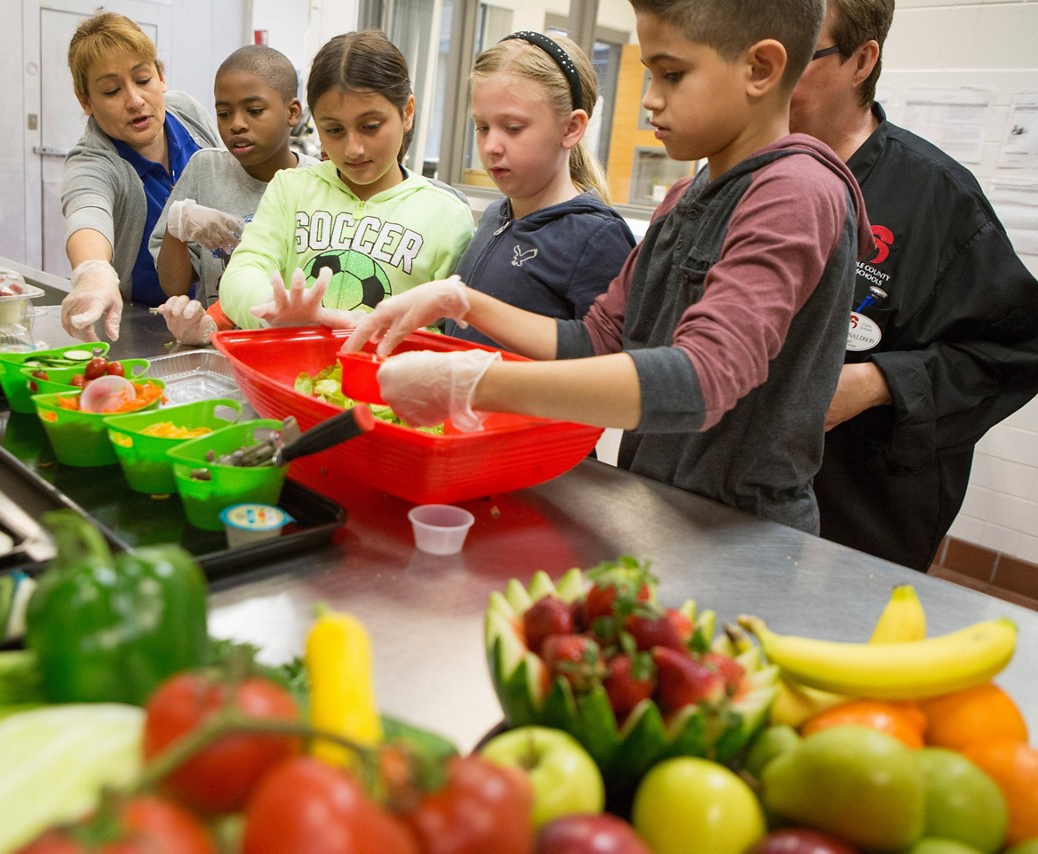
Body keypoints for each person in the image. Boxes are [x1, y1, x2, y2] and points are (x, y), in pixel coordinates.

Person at [343, 0, 875, 534]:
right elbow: (598, 338)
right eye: (651, 75)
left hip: (743, 528)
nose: (650, 99)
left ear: (760, 69)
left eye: (672, 74)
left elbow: (701, 379)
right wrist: (462, 301)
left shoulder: (796, 193)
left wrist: (474, 382)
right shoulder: (687, 196)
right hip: (658, 503)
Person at [789, 0, 1038, 570]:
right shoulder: (735, 173)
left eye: (799, 55)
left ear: (861, 60)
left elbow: (1012, 354)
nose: (767, 78)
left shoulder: (939, 198)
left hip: (853, 514)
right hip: (725, 492)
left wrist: (878, 382)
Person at [216, 30, 475, 331]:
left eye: (370, 126)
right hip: (295, 373)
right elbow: (243, 272)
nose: (353, 148)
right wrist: (275, 311)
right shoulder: (291, 189)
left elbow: (452, 328)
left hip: (389, 376)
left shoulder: (446, 215)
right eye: (334, 130)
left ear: (407, 112)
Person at [447, 31, 635, 348]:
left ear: (572, 128)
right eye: (482, 127)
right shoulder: (496, 214)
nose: (490, 146)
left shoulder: (598, 238)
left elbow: (605, 365)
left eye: (513, 128)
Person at [58, 11, 221, 342]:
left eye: (143, 80)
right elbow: (86, 212)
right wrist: (94, 272)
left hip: (222, 316)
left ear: (161, 75)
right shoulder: (94, 162)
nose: (135, 101)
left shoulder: (186, 114)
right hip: (152, 329)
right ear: (85, 101)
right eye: (112, 90)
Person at [149, 45, 320, 345]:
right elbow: (173, 286)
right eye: (224, 113)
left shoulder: (316, 183)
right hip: (215, 345)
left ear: (292, 112)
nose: (236, 124)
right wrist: (179, 224)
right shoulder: (206, 168)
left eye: (254, 111)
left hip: (288, 350)